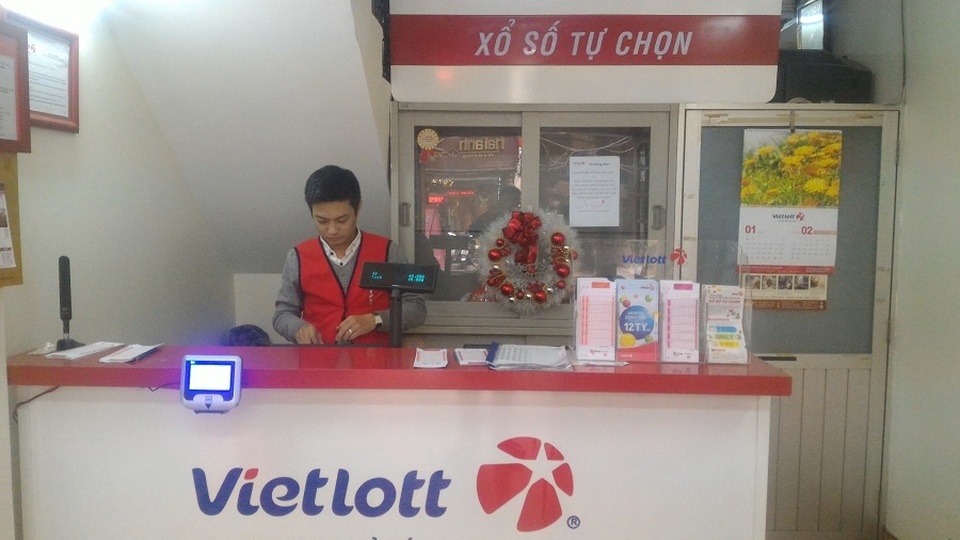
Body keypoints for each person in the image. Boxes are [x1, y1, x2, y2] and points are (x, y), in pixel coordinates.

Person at [273, 165, 426, 345]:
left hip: (376, 357)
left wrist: (376, 319)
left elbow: (416, 308)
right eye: (322, 221)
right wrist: (297, 328)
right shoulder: (298, 257)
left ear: (358, 208)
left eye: (342, 220)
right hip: (319, 357)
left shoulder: (388, 251)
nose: (332, 230)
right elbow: (282, 314)